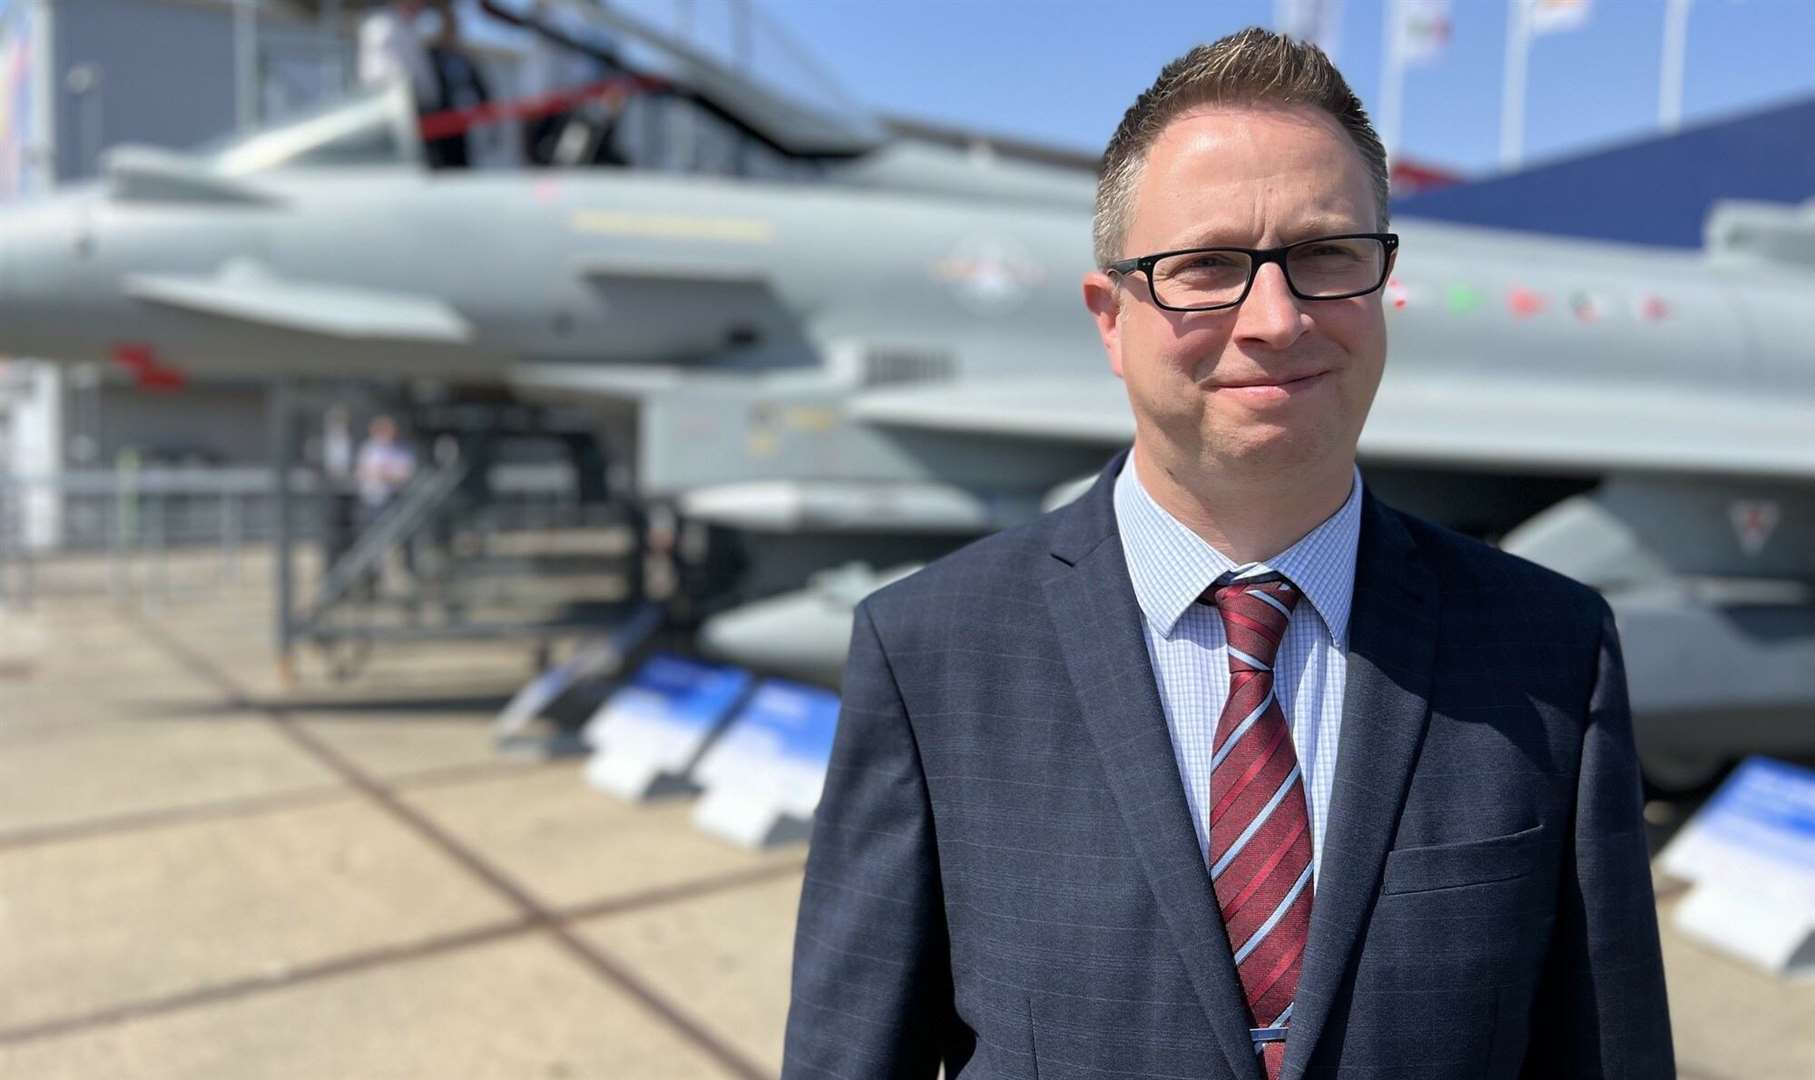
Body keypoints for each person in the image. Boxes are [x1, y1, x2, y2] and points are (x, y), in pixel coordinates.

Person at [783, 27, 1672, 1080]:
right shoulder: (931, 653)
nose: (1276, 318)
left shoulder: (1551, 652)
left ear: (1383, 284)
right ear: (1109, 318)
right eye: (1204, 267)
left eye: (1325, 255)